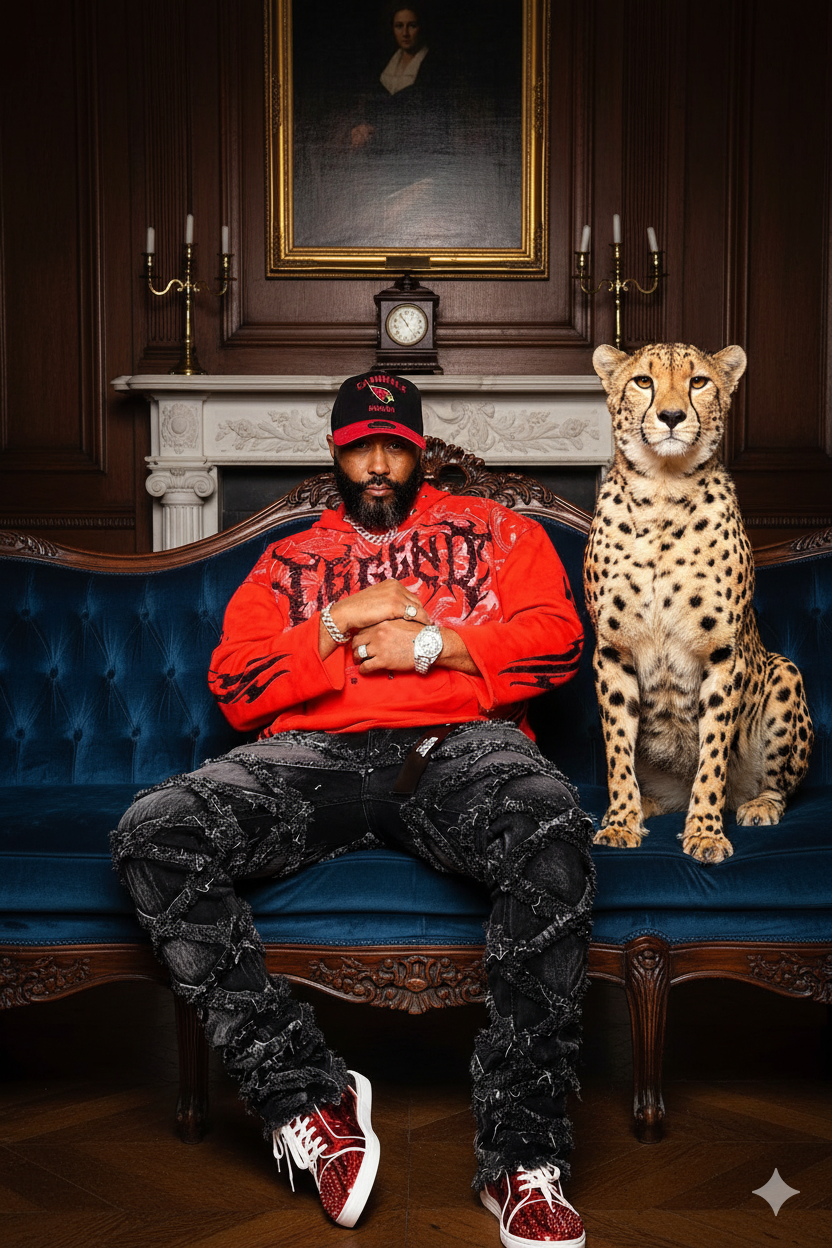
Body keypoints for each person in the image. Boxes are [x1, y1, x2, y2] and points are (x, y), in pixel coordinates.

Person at [111, 371, 595, 1247]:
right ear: (335, 455)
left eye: (393, 447)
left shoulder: (499, 532)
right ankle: (311, 1095)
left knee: (549, 821)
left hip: (456, 745)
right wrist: (339, 621)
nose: (377, 466)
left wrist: (437, 644)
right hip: (311, 757)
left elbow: (557, 644)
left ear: (419, 449)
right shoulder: (289, 558)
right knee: (154, 833)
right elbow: (237, 685)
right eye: (358, 448)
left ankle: (522, 1157)